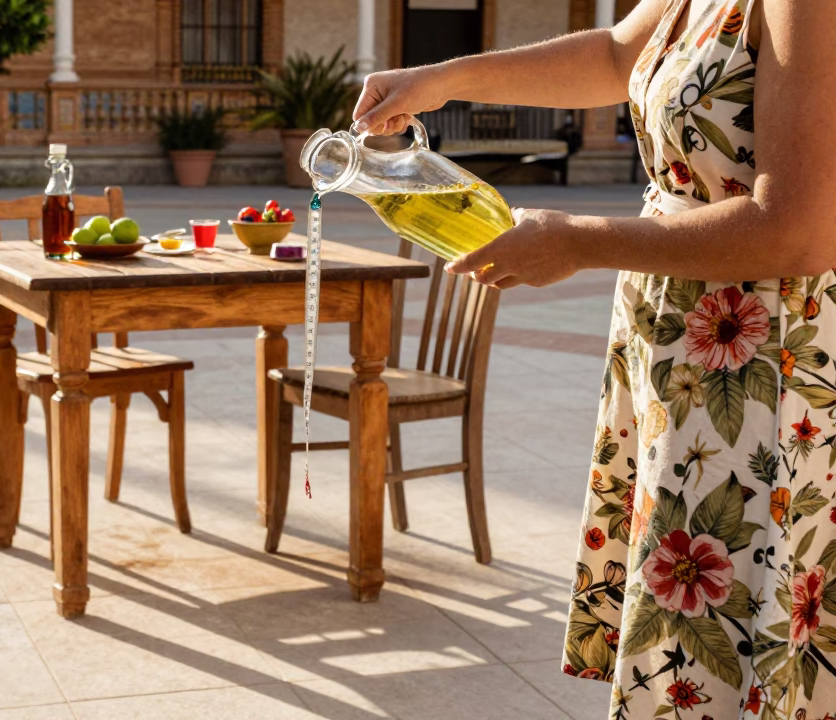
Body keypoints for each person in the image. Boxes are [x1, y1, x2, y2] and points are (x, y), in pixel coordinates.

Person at [354, 1, 836, 716]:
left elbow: (800, 228)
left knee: (731, 620)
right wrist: (442, 79)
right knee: (691, 629)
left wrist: (578, 240)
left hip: (761, 373)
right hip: (685, 358)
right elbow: (615, 55)